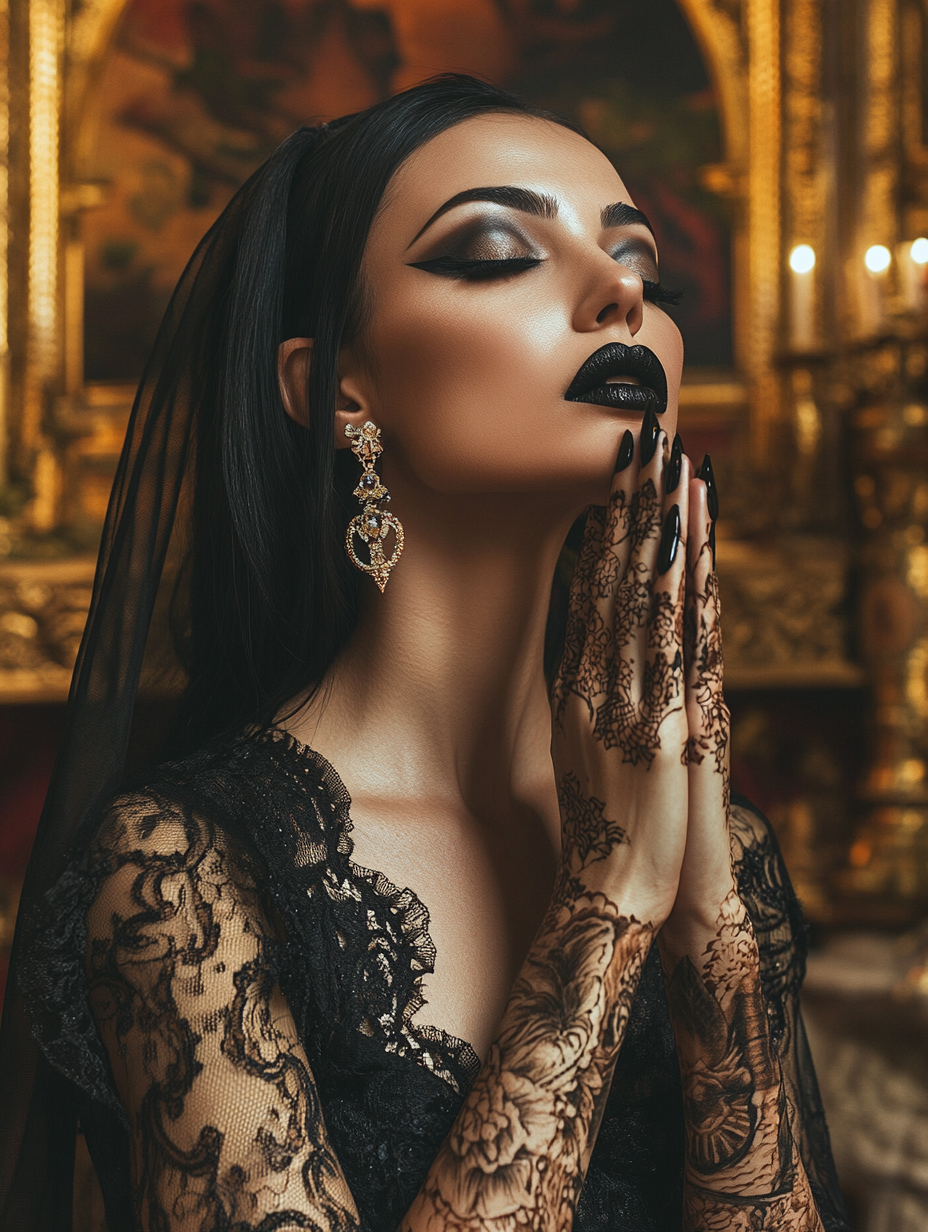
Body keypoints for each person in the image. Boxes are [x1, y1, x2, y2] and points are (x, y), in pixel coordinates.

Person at [0, 75, 848, 1232]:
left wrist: (707, 931)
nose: (623, 293)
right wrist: (606, 900)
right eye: (497, 251)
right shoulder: (183, 871)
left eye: (650, 267)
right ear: (335, 388)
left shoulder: (721, 845)